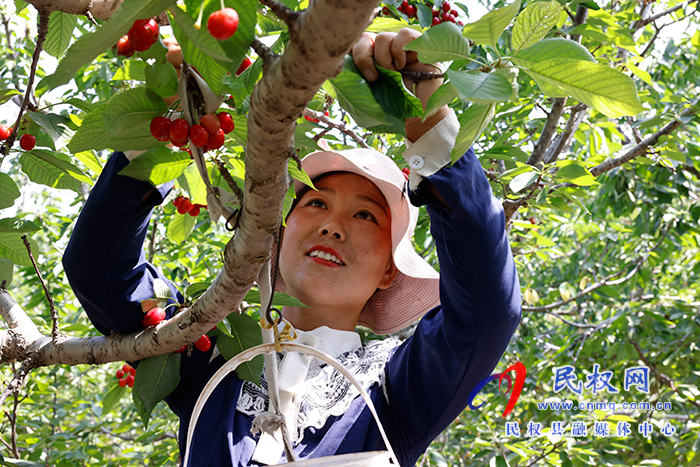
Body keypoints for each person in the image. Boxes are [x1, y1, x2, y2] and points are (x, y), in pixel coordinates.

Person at [63, 28, 521, 466]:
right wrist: (172, 123)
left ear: (388, 271)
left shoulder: (394, 389)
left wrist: (435, 120)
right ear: (279, 236)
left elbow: (484, 315)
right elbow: (101, 272)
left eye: (365, 215)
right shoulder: (212, 348)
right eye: (316, 203)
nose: (333, 227)